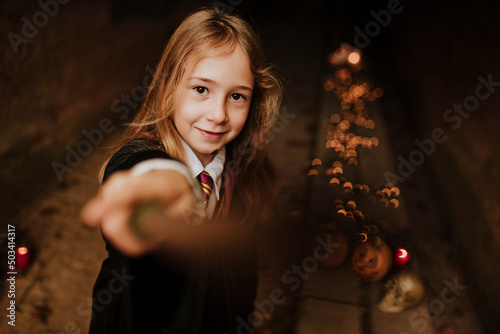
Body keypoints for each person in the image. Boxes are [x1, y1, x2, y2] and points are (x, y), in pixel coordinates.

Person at [81, 5, 282, 334]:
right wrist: (155, 186)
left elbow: (242, 270)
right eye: (201, 89)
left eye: (236, 96)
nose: (218, 114)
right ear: (169, 86)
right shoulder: (140, 158)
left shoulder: (241, 169)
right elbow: (146, 172)